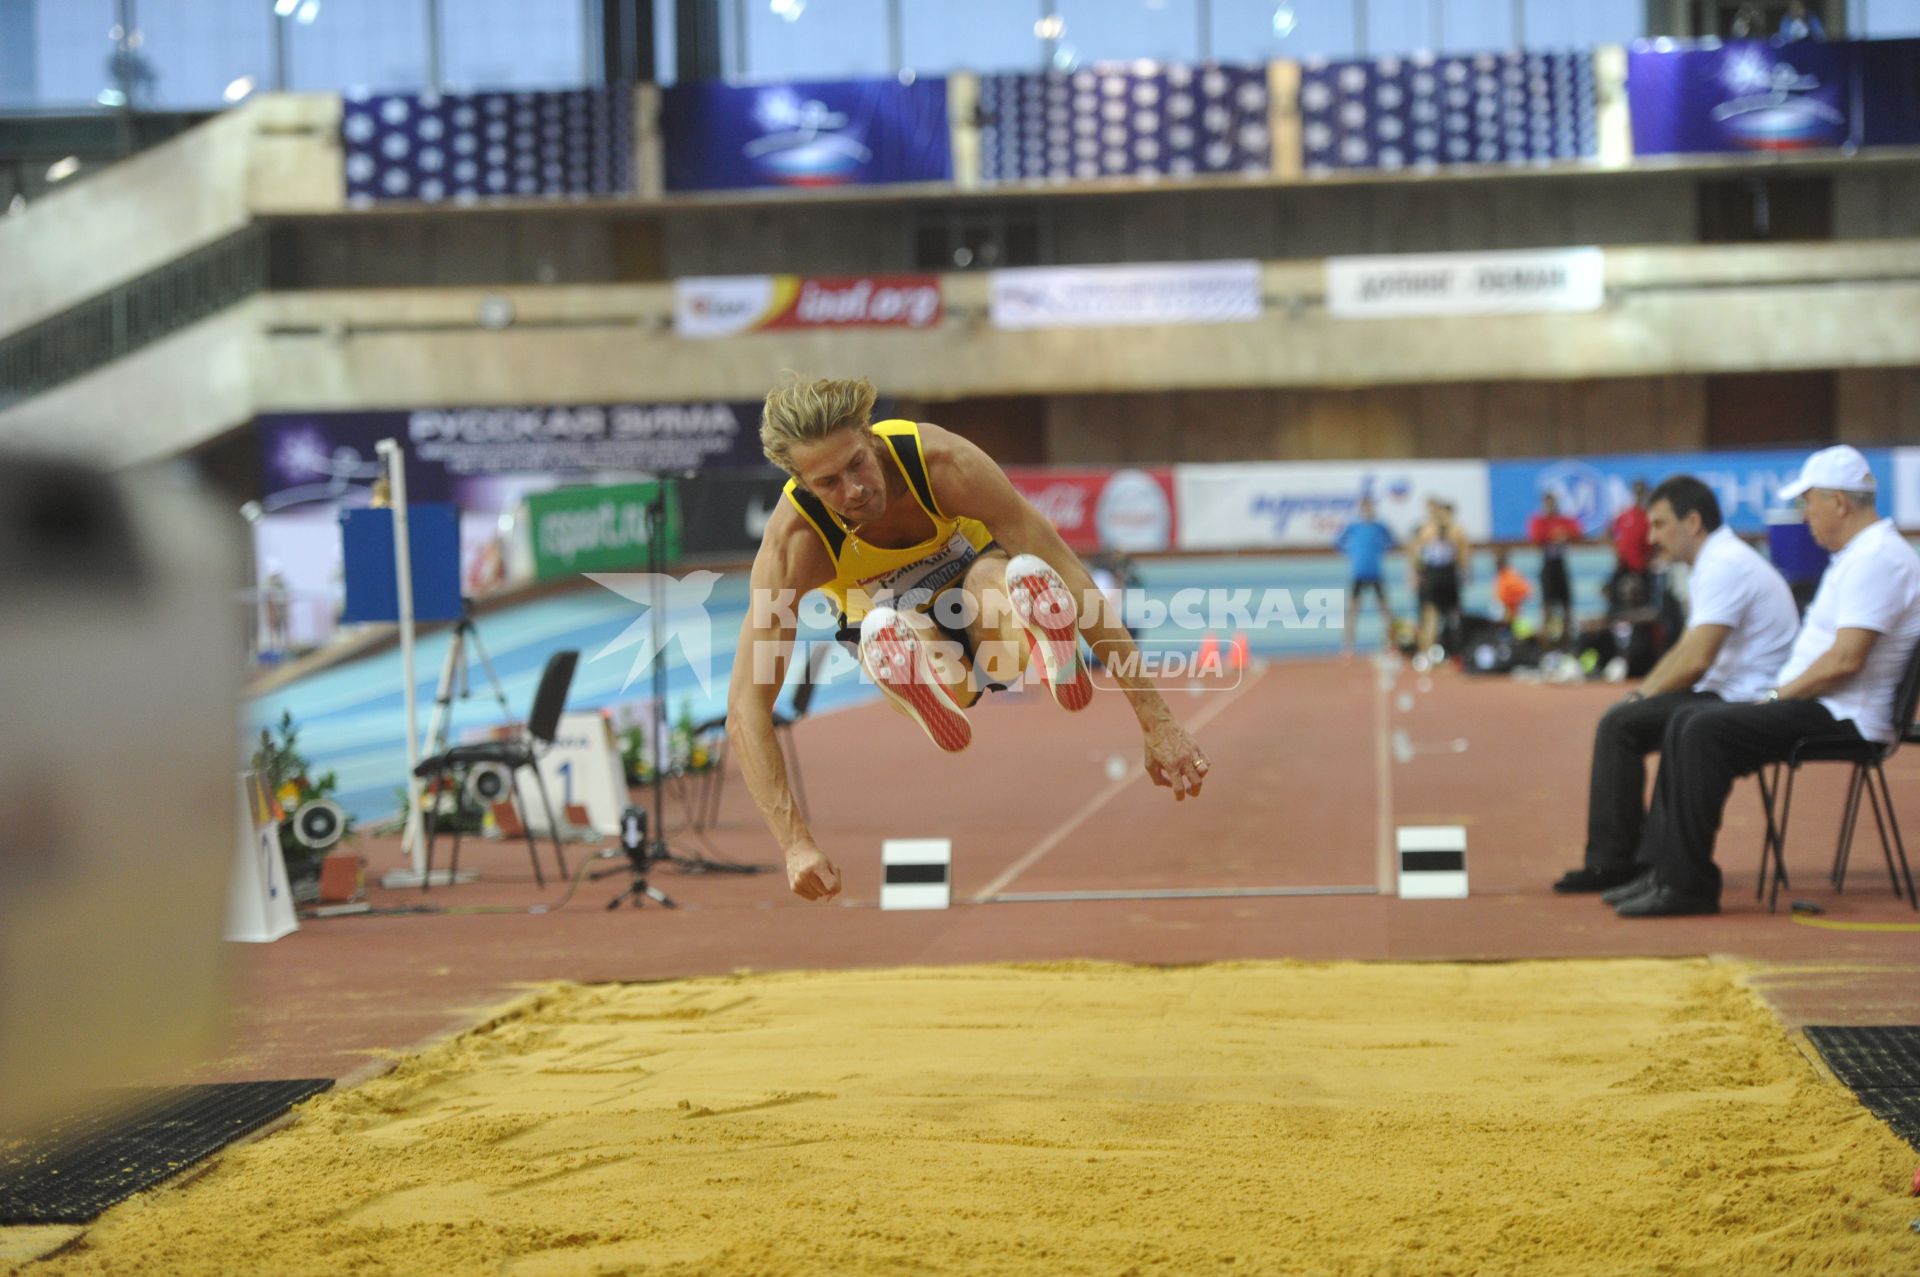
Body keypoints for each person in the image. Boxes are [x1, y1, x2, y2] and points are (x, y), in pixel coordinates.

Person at [729, 377, 1212, 902]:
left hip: (990, 608)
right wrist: (794, 843)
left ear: (870, 436)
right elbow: (747, 707)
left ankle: (1052, 644)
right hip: (910, 640)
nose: (854, 490)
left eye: (856, 464)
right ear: (800, 482)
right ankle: (934, 686)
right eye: (828, 483)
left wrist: (1156, 719)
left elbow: (1070, 572)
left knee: (1002, 579)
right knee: (895, 633)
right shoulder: (793, 544)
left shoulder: (939, 462)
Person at [1611, 446, 1920, 917]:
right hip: (1828, 704)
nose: (1803, 515)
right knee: (1688, 719)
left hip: (1846, 715)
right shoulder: (1862, 555)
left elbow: (1845, 660)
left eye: (1808, 502)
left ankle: (1688, 886)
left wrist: (1774, 698)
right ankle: (1662, 871)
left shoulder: (1879, 559)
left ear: (1838, 502)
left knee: (1702, 729)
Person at [1550, 476, 1798, 894]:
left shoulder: (1724, 564)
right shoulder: (1713, 561)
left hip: (1751, 698)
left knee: (1623, 724)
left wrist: (1640, 697)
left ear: (1693, 522)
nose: (1651, 537)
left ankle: (1625, 863)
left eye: (1660, 525)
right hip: (1728, 689)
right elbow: (1686, 651)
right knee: (1625, 719)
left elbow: (1697, 659)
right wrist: (1640, 695)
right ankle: (1627, 861)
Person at [1335, 495, 1397, 657]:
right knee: (1352, 610)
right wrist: (1351, 552)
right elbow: (1338, 542)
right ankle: (1348, 646)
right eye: (1365, 508)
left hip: (1375, 572)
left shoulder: (1380, 526)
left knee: (1385, 610)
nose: (1368, 510)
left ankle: (1393, 643)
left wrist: (1381, 551)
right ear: (1361, 509)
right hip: (1358, 573)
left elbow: (1392, 541)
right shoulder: (1353, 526)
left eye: (1370, 507)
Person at [1409, 498, 1470, 657]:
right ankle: (1426, 651)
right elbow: (1416, 551)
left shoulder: (1455, 530)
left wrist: (1464, 572)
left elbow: (1463, 554)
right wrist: (1417, 573)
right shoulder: (1429, 530)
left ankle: (1454, 650)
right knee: (1431, 614)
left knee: (1452, 615)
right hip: (1434, 574)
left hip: (1448, 573)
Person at [1527, 492, 1583, 645]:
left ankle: (1568, 638)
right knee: (1546, 605)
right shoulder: (1540, 520)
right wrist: (1556, 534)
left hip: (1560, 563)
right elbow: (1537, 536)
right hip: (1548, 564)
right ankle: (1546, 641)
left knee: (1566, 604)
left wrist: (1560, 534)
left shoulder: (1563, 519)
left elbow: (1576, 531)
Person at [1610, 479, 1652, 600]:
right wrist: (1616, 550)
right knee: (1616, 598)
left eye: (1642, 492)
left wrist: (1649, 558)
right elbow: (1611, 533)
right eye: (1636, 492)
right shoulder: (1624, 515)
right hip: (1623, 565)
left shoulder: (1649, 516)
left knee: (1643, 601)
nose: (1639, 495)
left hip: (1642, 568)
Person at [1493, 550, 1532, 624]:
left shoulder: (1511, 576)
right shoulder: (1500, 577)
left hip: (1513, 612)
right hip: (1506, 611)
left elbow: (1526, 591)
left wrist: (1512, 602)